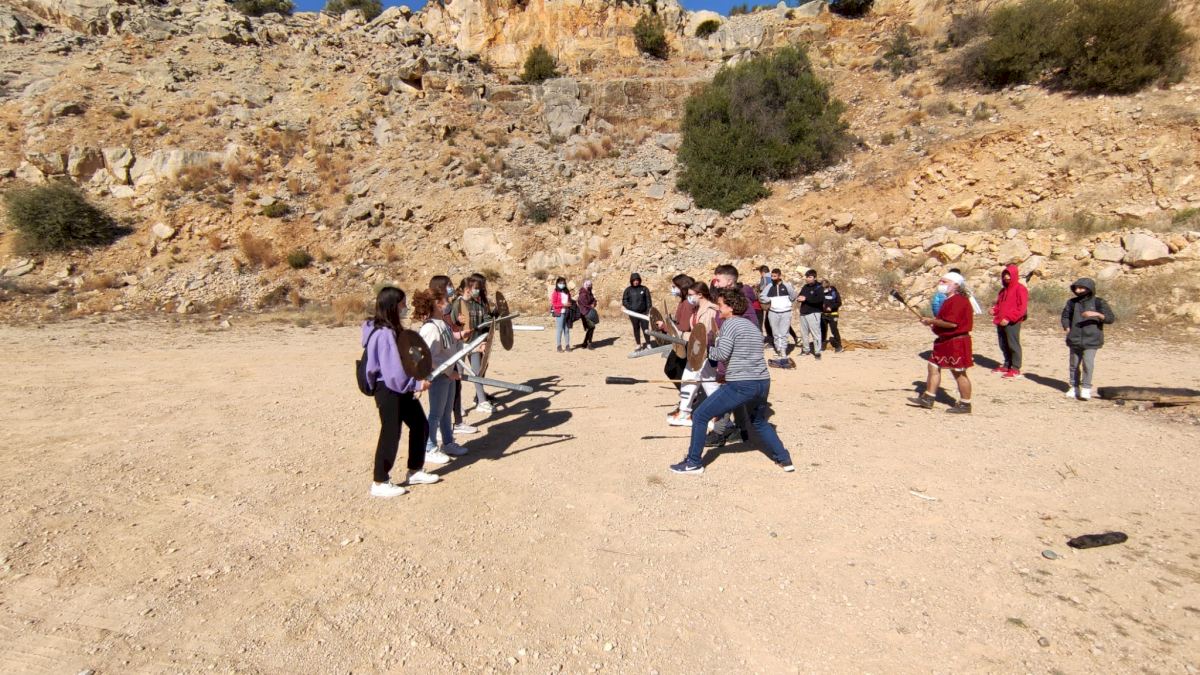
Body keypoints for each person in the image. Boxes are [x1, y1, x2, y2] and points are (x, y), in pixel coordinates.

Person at [669, 288, 795, 475]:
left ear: (731, 307)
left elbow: (721, 354)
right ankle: (784, 459)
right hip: (762, 381)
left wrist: (702, 350)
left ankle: (693, 463)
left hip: (742, 383)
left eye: (721, 305)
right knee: (758, 421)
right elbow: (743, 354)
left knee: (701, 415)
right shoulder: (752, 327)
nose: (718, 308)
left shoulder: (729, 324)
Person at [361, 286, 439, 498]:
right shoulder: (384, 334)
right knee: (391, 432)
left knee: (420, 424)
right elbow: (393, 371)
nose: (405, 307)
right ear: (393, 306)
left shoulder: (391, 329)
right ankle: (379, 481)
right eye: (403, 304)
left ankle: (415, 470)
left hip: (398, 387)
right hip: (388, 389)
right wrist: (416, 385)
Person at [414, 289, 469, 464]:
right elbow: (428, 357)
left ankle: (448, 443)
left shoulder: (442, 323)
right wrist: (447, 371)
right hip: (439, 376)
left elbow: (450, 344)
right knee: (436, 414)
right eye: (445, 301)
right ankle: (429, 447)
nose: (448, 304)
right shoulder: (430, 328)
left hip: (449, 375)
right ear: (437, 304)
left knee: (446, 412)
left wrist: (463, 338)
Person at [909, 272, 974, 414]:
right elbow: (944, 322)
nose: (941, 284)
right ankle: (928, 398)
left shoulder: (959, 301)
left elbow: (952, 324)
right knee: (933, 366)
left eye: (945, 282)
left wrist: (931, 321)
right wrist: (932, 323)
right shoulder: (949, 300)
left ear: (956, 285)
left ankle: (965, 404)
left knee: (958, 373)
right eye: (941, 281)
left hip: (957, 342)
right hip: (945, 341)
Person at [431, 275, 477, 437]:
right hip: (443, 364)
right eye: (449, 285)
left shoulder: (447, 307)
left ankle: (454, 426)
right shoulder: (436, 315)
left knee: (454, 391)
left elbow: (449, 332)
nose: (452, 287)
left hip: (451, 357)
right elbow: (434, 347)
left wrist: (459, 328)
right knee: (439, 404)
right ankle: (434, 436)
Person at [669, 281, 720, 427]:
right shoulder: (697, 309)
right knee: (691, 380)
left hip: (705, 352)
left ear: (700, 295)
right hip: (696, 351)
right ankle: (685, 412)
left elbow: (704, 335)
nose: (689, 297)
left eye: (691, 295)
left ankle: (720, 417)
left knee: (710, 384)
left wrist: (682, 335)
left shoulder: (710, 310)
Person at [1061, 278, 1116, 401]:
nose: (1078, 290)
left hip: (1092, 340)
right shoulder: (1072, 302)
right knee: (1074, 364)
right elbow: (1065, 316)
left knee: (1088, 363)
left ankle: (1086, 388)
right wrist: (1067, 328)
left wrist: (1096, 314)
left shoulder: (1098, 302)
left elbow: (1110, 319)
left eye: (1081, 288)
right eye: (1076, 288)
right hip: (1074, 339)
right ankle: (1074, 387)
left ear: (1089, 289)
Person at [453, 275, 493, 415]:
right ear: (467, 289)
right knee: (458, 375)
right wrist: (458, 323)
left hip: (475, 343)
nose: (478, 291)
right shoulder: (457, 304)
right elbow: (451, 324)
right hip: (460, 346)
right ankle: (457, 405)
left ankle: (481, 401)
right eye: (475, 288)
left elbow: (486, 320)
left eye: (478, 288)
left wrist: (491, 323)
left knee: (477, 373)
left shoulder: (478, 304)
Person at [991, 264, 1029, 378]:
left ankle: (1015, 368)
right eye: (1005, 275)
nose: (1006, 277)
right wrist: (994, 310)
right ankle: (1007, 364)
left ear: (1014, 275)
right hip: (1000, 321)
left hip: (1012, 322)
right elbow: (999, 304)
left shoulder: (1020, 289)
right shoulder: (1003, 290)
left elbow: (1022, 308)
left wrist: (1009, 318)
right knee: (1003, 343)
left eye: (1009, 275)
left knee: (1013, 344)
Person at [762, 268, 797, 364]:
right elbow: (762, 296)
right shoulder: (769, 286)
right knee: (776, 332)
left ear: (779, 276)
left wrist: (788, 303)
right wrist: (769, 300)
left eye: (775, 276)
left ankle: (783, 351)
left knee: (784, 332)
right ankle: (778, 349)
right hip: (773, 312)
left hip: (786, 312)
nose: (773, 278)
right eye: (772, 276)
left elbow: (793, 295)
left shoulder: (787, 285)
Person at [796, 269, 824, 359]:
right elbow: (800, 295)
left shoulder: (819, 287)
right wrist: (799, 298)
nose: (807, 279)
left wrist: (806, 299)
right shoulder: (805, 287)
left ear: (815, 278)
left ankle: (817, 352)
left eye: (810, 277)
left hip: (813, 313)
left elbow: (820, 300)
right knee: (804, 333)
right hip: (803, 313)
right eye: (807, 277)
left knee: (815, 333)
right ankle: (805, 350)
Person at [622, 272, 652, 349]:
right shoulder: (628, 290)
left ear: (639, 280)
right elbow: (624, 301)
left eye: (637, 280)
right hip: (633, 314)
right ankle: (638, 344)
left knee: (645, 328)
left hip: (643, 313)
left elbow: (648, 301)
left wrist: (648, 311)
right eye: (634, 280)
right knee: (636, 328)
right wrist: (631, 308)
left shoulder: (644, 289)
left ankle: (648, 344)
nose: (636, 282)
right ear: (631, 281)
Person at [550, 276, 574, 352]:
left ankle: (567, 345)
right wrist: (563, 305)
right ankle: (558, 346)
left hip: (567, 313)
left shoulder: (567, 292)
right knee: (559, 330)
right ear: (557, 283)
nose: (562, 284)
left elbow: (569, 300)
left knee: (566, 330)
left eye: (563, 283)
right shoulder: (555, 292)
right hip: (559, 313)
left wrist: (570, 304)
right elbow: (554, 304)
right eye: (560, 283)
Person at [820, 279, 844, 353]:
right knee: (823, 330)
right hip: (823, 315)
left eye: (825, 288)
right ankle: (822, 345)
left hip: (833, 315)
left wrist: (831, 307)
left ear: (828, 287)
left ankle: (838, 346)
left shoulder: (834, 293)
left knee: (834, 330)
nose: (824, 290)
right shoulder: (821, 293)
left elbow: (839, 303)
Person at [576, 279, 598, 349]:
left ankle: (585, 343)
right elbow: (584, 304)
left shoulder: (589, 292)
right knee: (592, 327)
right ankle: (589, 343)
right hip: (584, 313)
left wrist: (594, 303)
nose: (590, 287)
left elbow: (593, 299)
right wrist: (591, 306)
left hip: (589, 312)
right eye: (589, 285)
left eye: (590, 285)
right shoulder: (582, 293)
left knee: (590, 328)